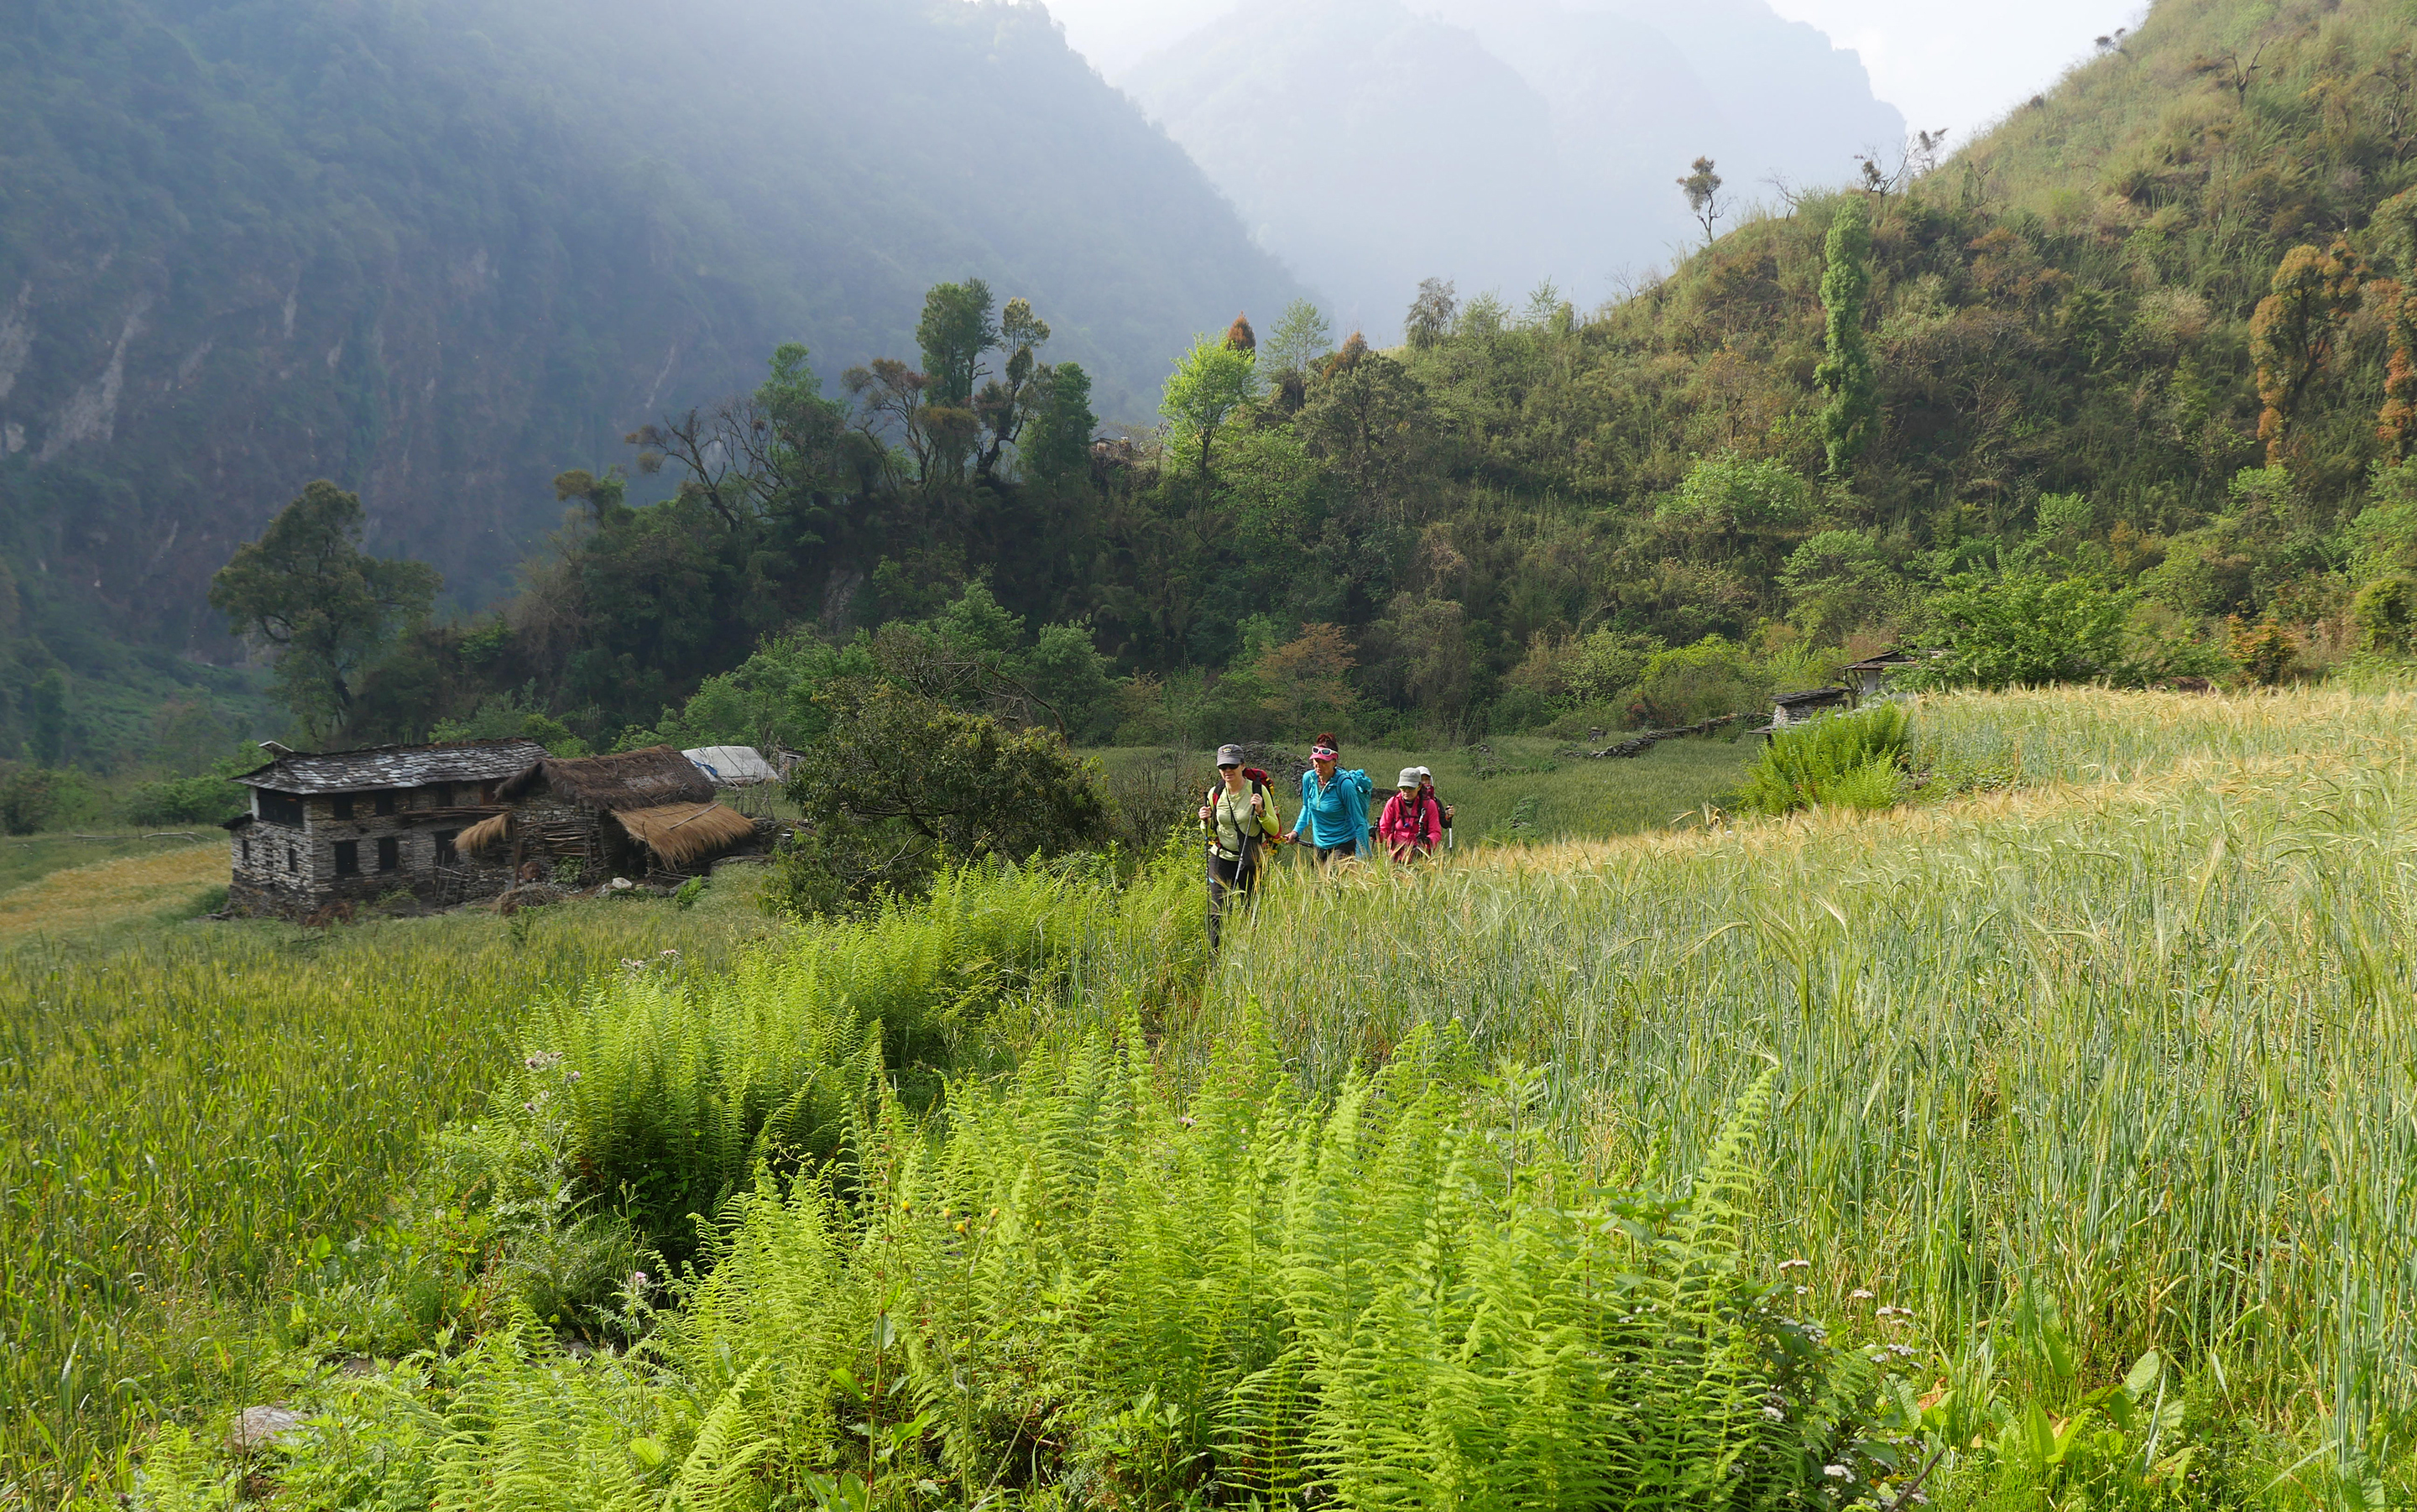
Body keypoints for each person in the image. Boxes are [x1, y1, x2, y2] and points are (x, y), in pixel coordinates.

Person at [1198, 743, 1281, 948]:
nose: (1227, 771)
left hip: (1250, 859)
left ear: (1242, 766)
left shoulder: (1258, 790)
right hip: (1221, 858)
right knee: (1218, 914)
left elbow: (1274, 829)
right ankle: (1215, 962)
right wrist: (1204, 821)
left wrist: (1261, 811)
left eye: (1232, 766)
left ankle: (1250, 955)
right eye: (1223, 767)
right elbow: (1210, 832)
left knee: (1250, 913)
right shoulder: (1215, 793)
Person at [1282, 733, 1372, 867]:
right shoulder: (1309, 778)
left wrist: (1360, 855)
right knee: (1315, 885)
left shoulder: (1345, 785)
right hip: (1320, 845)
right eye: (1316, 761)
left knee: (1330, 879)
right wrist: (1296, 832)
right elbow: (1307, 808)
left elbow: (1359, 822)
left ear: (1334, 762)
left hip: (1344, 843)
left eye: (1324, 762)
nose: (1319, 765)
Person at [1379, 767, 1443, 863]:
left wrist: (1428, 840)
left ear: (1419, 787)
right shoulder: (1393, 803)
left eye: (1411, 787)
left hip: (1419, 855)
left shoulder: (1430, 805)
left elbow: (1436, 832)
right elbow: (1384, 829)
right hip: (1395, 855)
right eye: (1403, 787)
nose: (1407, 791)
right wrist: (1375, 834)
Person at [1414, 766, 1454, 851]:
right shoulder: (1410, 799)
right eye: (1422, 779)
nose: (1424, 782)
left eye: (1427, 779)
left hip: (1429, 844)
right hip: (1412, 842)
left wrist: (1448, 816)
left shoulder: (1435, 801)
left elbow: (1444, 823)